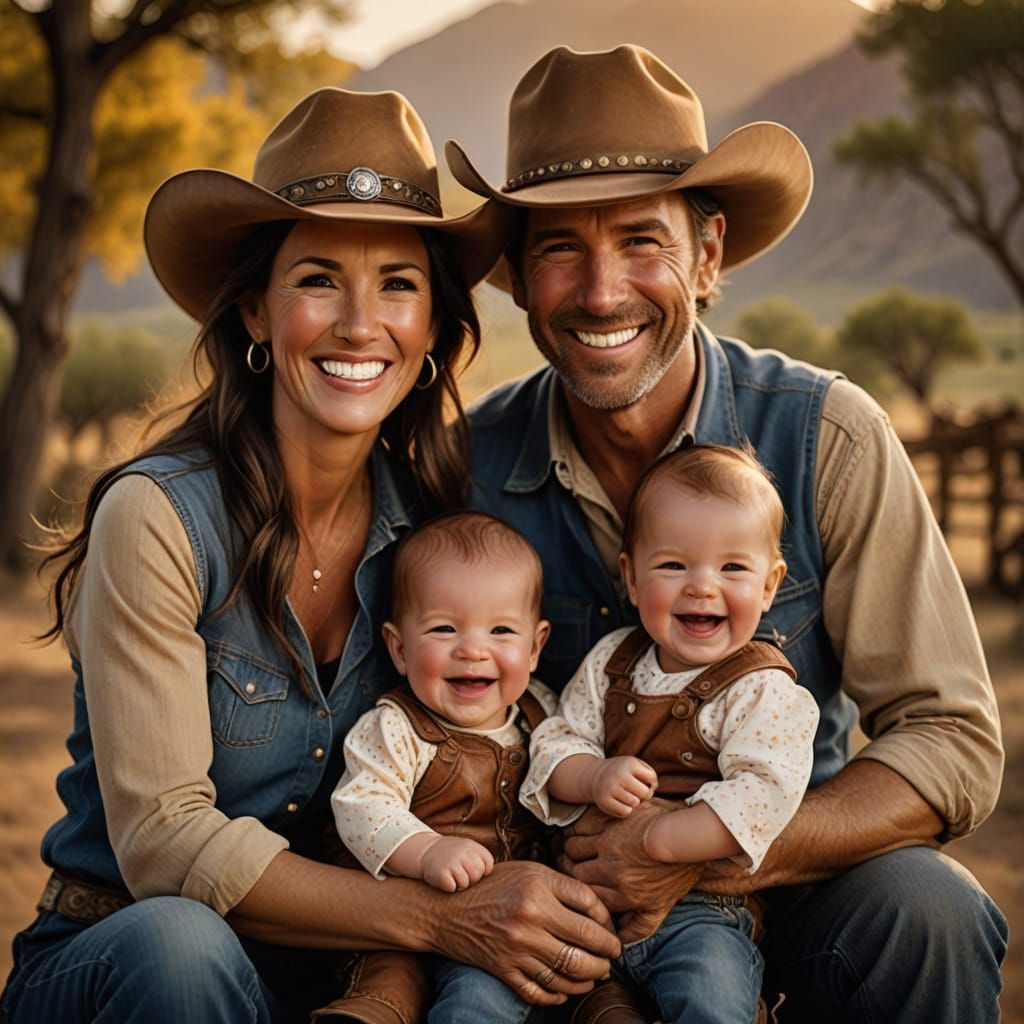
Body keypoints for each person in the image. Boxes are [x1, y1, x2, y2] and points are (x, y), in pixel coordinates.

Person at [0, 88, 620, 1024]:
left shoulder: (431, 533)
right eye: (320, 278)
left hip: (336, 980)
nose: (360, 324)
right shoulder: (158, 517)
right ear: (256, 310)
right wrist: (441, 921)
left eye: (399, 285)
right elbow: (166, 844)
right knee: (182, 947)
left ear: (433, 330)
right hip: (130, 959)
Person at [450, 44, 1007, 1021]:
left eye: (639, 241)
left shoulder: (825, 432)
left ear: (706, 255)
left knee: (929, 910)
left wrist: (704, 848)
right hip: (548, 893)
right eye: (558, 249)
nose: (601, 290)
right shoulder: (462, 468)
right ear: (516, 278)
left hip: (788, 875)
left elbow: (950, 741)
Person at [521, 443, 819, 1024]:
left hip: (702, 912)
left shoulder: (763, 692)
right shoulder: (612, 662)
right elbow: (557, 737)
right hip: (592, 905)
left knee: (709, 996)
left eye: (733, 568)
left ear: (769, 585)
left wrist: (659, 841)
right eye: (674, 565)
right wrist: (593, 774)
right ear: (631, 577)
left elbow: (764, 792)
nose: (702, 587)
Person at [316, 510, 555, 1023]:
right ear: (399, 648)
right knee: (388, 977)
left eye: (501, 630)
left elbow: (570, 769)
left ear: (536, 647)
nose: (472, 649)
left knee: (484, 995)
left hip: (502, 926)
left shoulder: (545, 716)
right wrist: (428, 850)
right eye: (444, 629)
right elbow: (363, 805)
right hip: (397, 910)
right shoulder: (395, 726)